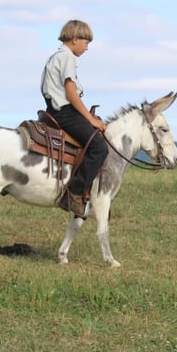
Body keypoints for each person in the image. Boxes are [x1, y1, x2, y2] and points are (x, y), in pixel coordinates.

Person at [40, 19, 108, 217]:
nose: (87, 48)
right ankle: (74, 193)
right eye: (86, 42)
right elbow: (70, 93)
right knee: (99, 147)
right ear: (75, 39)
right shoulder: (67, 57)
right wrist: (90, 119)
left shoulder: (55, 57)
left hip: (53, 109)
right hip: (65, 112)